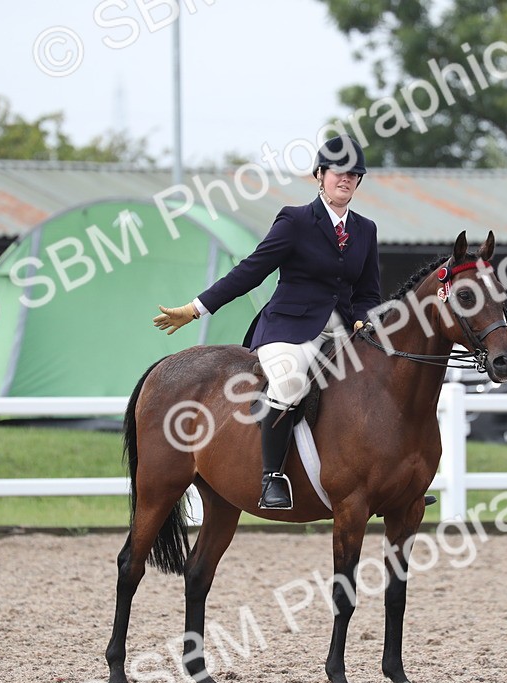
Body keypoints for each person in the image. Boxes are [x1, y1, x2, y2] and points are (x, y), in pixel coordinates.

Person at [153, 135, 382, 510]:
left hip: (341, 329)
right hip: (290, 327)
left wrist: (364, 322)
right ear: (320, 176)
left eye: (354, 174)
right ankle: (271, 476)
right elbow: (251, 272)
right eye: (338, 172)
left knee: (377, 381)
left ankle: (388, 478)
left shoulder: (366, 230)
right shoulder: (295, 221)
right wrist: (196, 309)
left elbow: (369, 292)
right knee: (290, 383)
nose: (346, 179)